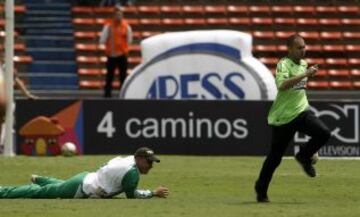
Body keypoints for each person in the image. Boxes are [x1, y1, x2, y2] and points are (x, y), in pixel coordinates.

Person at [254, 34, 331, 203]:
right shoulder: (283, 64)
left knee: (324, 133)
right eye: (299, 47)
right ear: (289, 49)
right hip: (284, 118)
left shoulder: (303, 64)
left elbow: (298, 89)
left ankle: (304, 155)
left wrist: (306, 75)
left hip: (302, 111)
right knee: (275, 158)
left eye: (304, 47)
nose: (303, 50)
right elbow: (282, 85)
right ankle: (261, 189)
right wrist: (305, 75)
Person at [0, 147, 169, 199]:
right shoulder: (132, 173)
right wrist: (153, 193)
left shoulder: (125, 159)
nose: (150, 166)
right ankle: (3, 191)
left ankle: (43, 179)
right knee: (37, 194)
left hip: (85, 178)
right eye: (148, 162)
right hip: (81, 188)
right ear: (139, 158)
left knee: (56, 187)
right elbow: (132, 196)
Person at [99, 6, 133, 98]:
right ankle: (107, 95)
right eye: (117, 14)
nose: (118, 16)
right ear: (113, 15)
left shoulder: (126, 26)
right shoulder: (108, 26)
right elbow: (102, 39)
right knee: (109, 76)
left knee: (123, 77)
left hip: (122, 55)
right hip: (111, 55)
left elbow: (129, 40)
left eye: (120, 14)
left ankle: (123, 94)